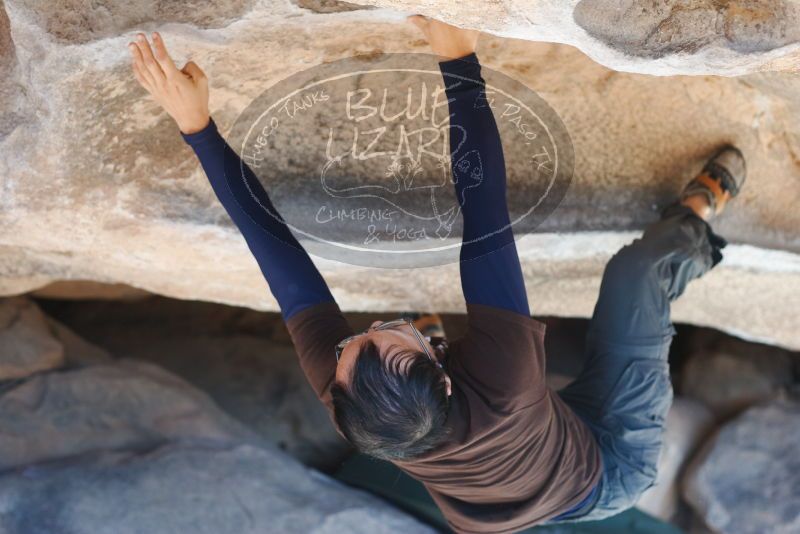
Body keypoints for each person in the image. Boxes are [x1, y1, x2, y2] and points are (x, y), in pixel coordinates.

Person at [127, 15, 745, 533]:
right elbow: (483, 213)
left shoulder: (350, 392)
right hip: (609, 463)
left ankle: (432, 337)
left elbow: (277, 254)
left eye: (353, 341)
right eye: (396, 335)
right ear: (444, 379)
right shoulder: (503, 377)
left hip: (511, 472)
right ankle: (693, 222)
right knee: (636, 274)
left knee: (397, 351)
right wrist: (459, 58)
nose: (364, 327)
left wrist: (197, 128)